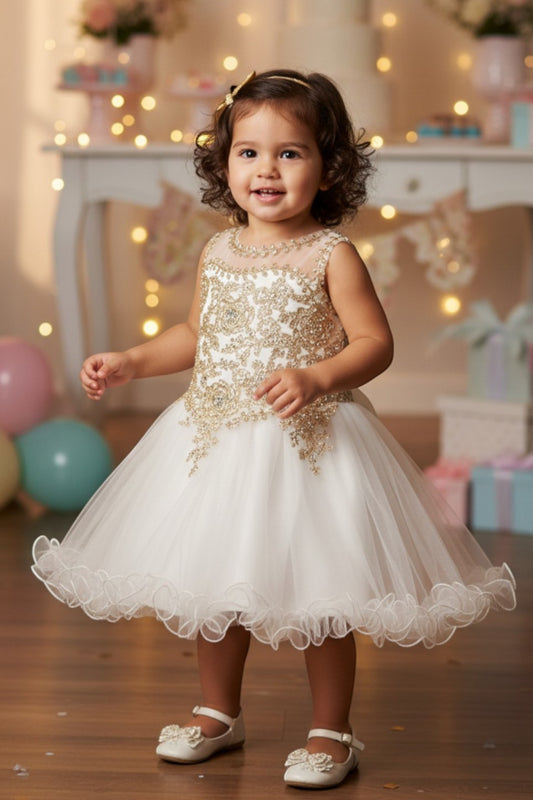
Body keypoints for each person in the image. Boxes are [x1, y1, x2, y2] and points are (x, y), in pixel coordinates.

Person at [32, 69, 516, 790]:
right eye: (248, 153)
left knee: (320, 591)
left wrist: (318, 376)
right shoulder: (218, 253)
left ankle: (331, 729)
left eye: (289, 153)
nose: (266, 170)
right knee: (213, 583)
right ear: (222, 164)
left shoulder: (331, 255)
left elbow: (373, 344)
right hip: (216, 440)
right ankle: (217, 711)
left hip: (310, 444)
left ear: (327, 168)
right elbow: (196, 335)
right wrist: (132, 359)